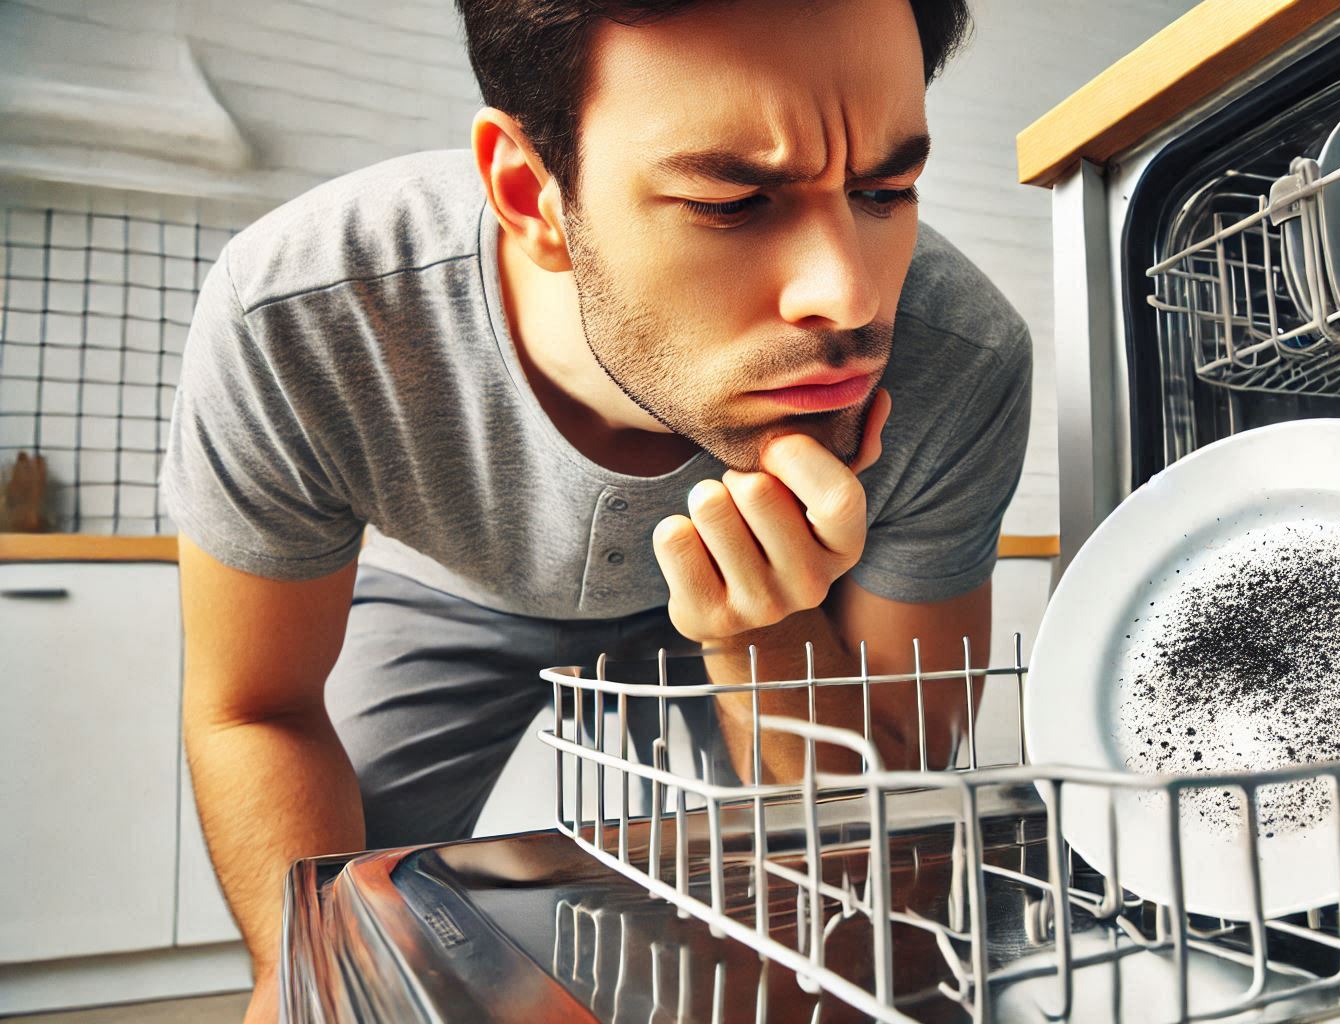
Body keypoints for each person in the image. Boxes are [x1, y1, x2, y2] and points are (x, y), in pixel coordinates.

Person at [162, 0, 1030, 1017]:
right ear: (530, 194)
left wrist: (769, 624)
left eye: (885, 187)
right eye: (731, 203)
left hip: (760, 619)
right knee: (344, 935)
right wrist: (317, 979)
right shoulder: (305, 308)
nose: (846, 296)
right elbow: (257, 709)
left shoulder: (962, 359)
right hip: (455, 588)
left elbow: (874, 824)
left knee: (855, 950)